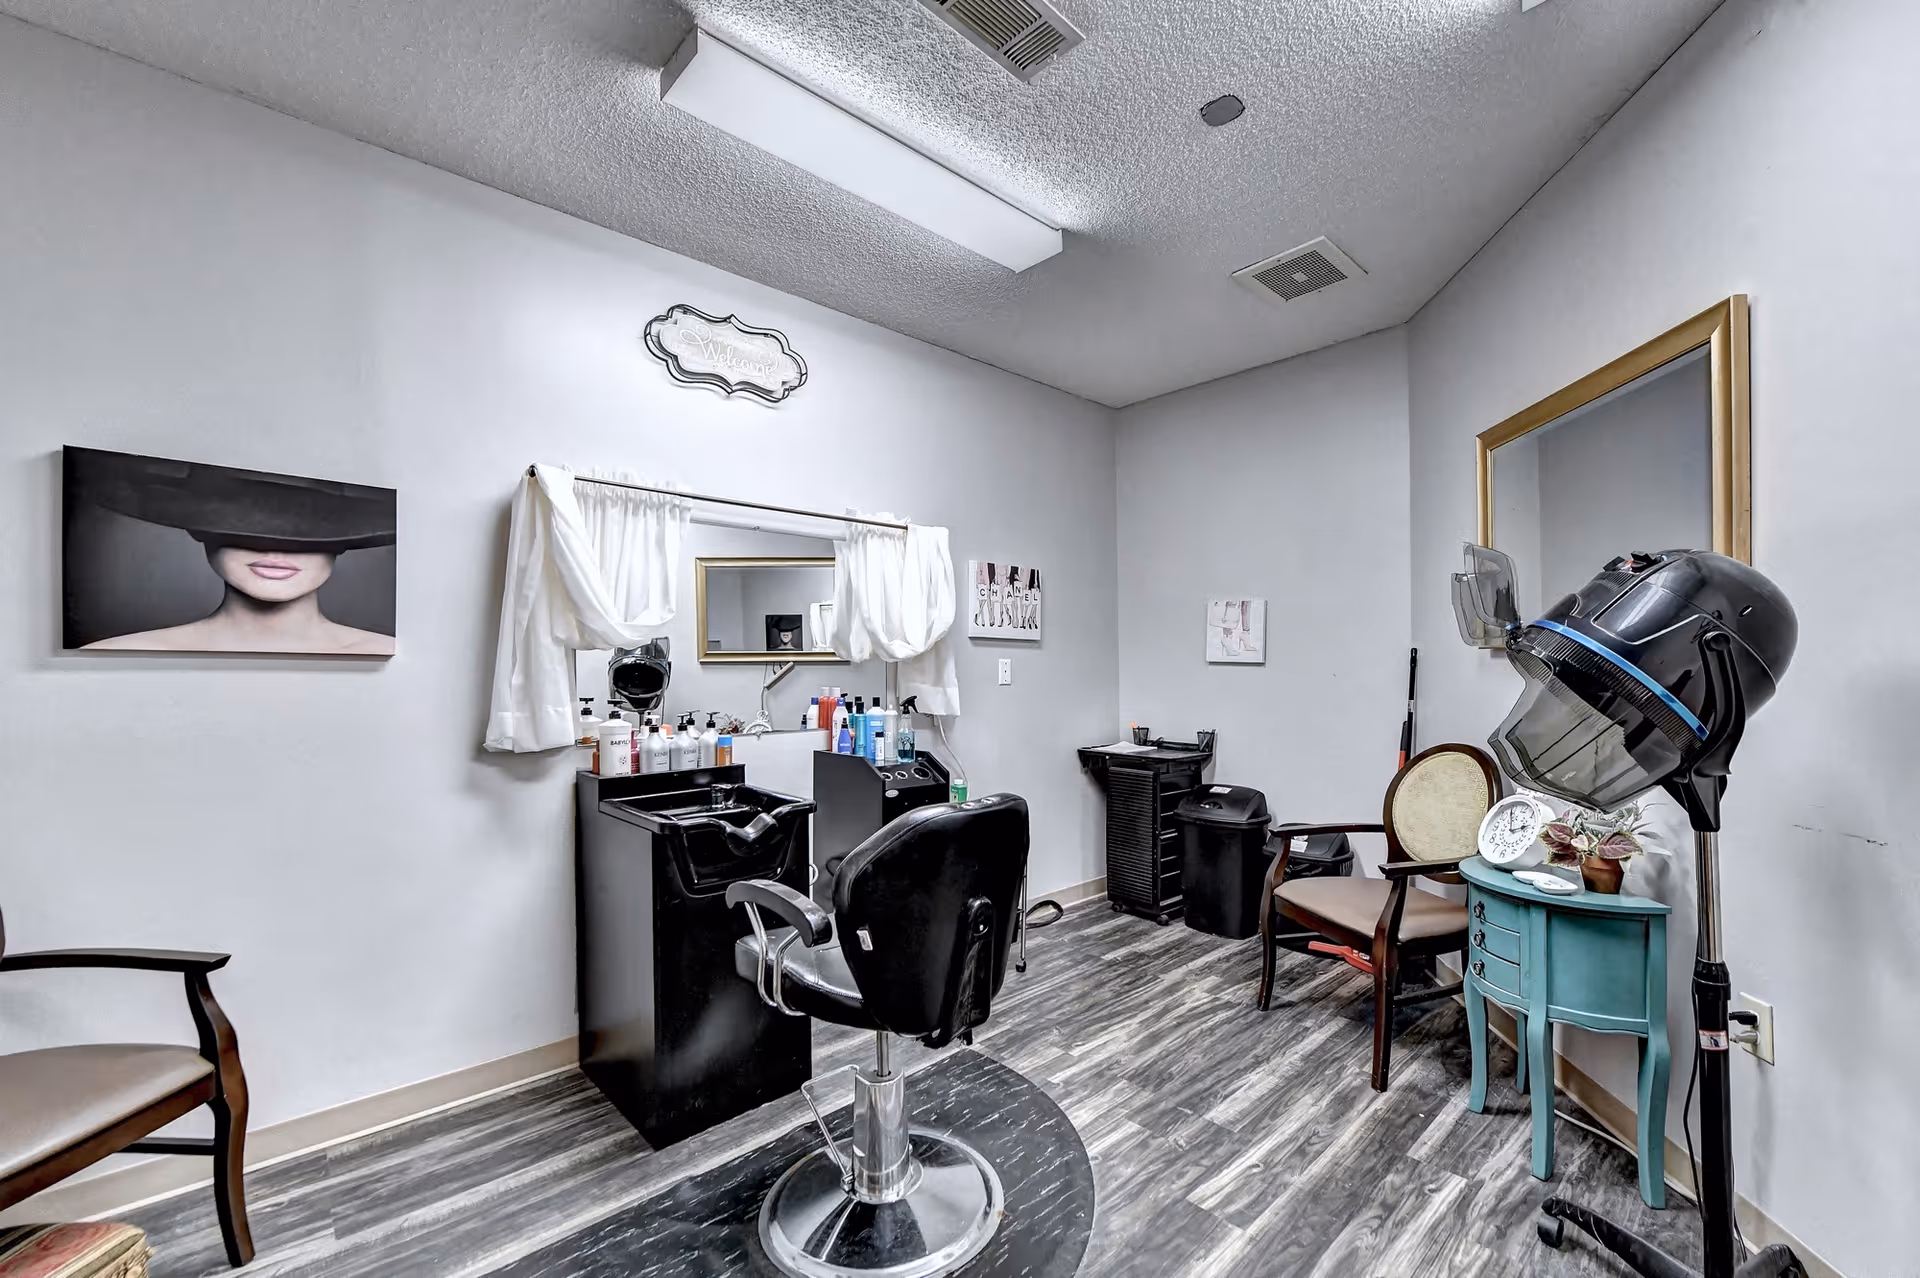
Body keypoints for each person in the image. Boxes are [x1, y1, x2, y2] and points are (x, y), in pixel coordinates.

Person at [68, 448, 397, 655]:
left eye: (309, 530)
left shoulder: (393, 656)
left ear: (343, 541)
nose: (274, 546)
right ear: (199, 529)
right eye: (242, 522)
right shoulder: (117, 656)